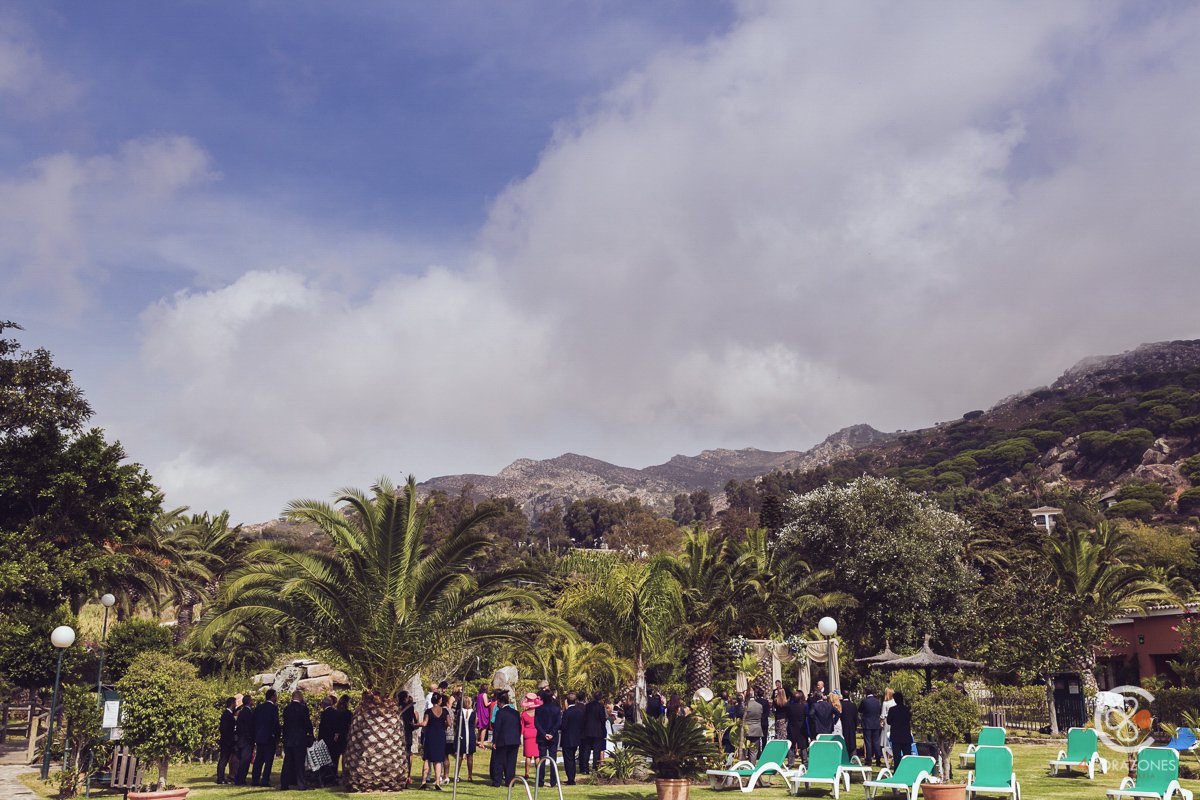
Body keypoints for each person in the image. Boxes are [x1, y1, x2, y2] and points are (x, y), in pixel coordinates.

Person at [280, 690, 314, 791]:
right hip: (300, 739)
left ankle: (284, 784)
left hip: (289, 739)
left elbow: (285, 725)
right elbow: (307, 723)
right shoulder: (303, 709)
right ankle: (301, 784)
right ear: (300, 697)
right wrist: (310, 733)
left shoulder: (286, 709)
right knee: (299, 763)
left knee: (287, 762)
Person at [490, 690, 521, 788]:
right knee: (511, 762)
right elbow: (519, 727)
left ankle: (497, 781)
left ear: (499, 702)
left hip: (503, 740)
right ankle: (510, 781)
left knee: (499, 761)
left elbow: (497, 729)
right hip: (514, 740)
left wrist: (494, 741)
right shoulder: (516, 713)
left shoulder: (500, 713)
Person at [418, 692, 448, 789]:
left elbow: (425, 723)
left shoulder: (428, 711)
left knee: (427, 759)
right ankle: (438, 782)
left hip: (430, 735)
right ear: (440, 700)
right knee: (438, 760)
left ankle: (423, 781)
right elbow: (449, 722)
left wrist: (416, 724)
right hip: (440, 736)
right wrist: (444, 726)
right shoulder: (444, 711)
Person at [252, 688, 281, 787]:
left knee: (259, 760)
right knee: (268, 761)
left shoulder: (259, 708)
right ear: (273, 696)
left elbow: (254, 722)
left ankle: (255, 779)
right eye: (276, 695)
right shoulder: (274, 708)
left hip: (260, 737)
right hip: (270, 738)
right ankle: (265, 780)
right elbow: (275, 723)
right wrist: (277, 736)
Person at [534, 689, 561, 787]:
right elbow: (558, 723)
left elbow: (537, 723)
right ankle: (553, 781)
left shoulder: (539, 709)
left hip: (543, 736)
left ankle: (540, 781)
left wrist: (544, 733)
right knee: (553, 758)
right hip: (552, 737)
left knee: (542, 758)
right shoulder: (556, 709)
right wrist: (552, 733)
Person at [451, 690, 478, 781]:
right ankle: (470, 776)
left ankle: (456, 775)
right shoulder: (474, 713)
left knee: (459, 755)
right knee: (470, 756)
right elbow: (475, 724)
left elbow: (455, 722)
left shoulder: (459, 712)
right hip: (470, 734)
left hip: (461, 733)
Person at [559, 692, 584, 785]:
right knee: (572, 758)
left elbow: (563, 726)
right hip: (576, 738)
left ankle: (571, 778)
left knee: (568, 759)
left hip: (567, 738)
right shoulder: (579, 712)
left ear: (567, 701)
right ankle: (572, 777)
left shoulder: (567, 712)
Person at [581, 692, 608, 774]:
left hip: (588, 731)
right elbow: (602, 719)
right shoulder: (600, 707)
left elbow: (584, 718)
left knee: (587, 750)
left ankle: (585, 768)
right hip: (597, 731)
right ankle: (594, 767)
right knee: (596, 750)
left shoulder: (588, 706)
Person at [886, 691, 913, 768]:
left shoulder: (892, 710)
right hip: (906, 736)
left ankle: (897, 772)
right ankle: (907, 771)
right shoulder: (907, 709)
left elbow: (888, 721)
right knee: (907, 757)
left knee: (897, 758)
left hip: (896, 736)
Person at [785, 690, 810, 768]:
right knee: (803, 746)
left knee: (791, 746)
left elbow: (787, 715)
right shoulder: (804, 706)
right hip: (801, 727)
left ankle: (790, 763)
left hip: (792, 727)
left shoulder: (789, 706)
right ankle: (805, 762)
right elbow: (807, 715)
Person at [859, 688, 883, 767]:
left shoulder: (865, 701)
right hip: (876, 724)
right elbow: (879, 711)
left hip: (867, 724)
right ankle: (878, 759)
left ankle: (868, 760)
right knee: (876, 742)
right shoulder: (877, 701)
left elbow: (860, 710)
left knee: (868, 742)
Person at [520, 692, 541, 779]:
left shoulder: (524, 714)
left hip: (527, 734)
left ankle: (526, 773)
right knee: (537, 756)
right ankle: (538, 773)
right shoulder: (538, 713)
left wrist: (521, 735)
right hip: (536, 733)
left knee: (528, 756)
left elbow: (522, 726)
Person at [399, 691, 418, 786]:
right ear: (405, 698)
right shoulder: (410, 708)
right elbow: (414, 721)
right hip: (407, 733)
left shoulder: (397, 708)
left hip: (398, 734)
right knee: (407, 755)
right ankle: (407, 777)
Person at [216, 696, 237, 784]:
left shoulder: (229, 714)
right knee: (223, 760)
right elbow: (224, 729)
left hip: (227, 741)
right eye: (235, 703)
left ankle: (222, 777)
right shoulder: (227, 714)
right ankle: (220, 778)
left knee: (224, 759)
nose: (236, 705)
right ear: (232, 704)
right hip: (226, 742)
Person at [333, 695, 353, 780]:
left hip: (337, 736)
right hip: (345, 735)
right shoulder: (348, 713)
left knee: (335, 756)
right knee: (345, 756)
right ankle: (345, 774)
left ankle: (334, 773)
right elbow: (350, 725)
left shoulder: (336, 712)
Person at [743, 689, 766, 760]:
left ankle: (742, 767)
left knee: (744, 750)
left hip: (746, 730)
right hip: (756, 729)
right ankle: (752, 767)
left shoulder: (745, 706)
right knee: (754, 751)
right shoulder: (759, 706)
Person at [838, 691, 858, 757]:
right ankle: (852, 754)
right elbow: (856, 716)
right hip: (852, 725)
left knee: (844, 740)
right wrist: (855, 725)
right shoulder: (853, 705)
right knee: (852, 740)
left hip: (843, 725)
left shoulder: (841, 705)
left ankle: (845, 755)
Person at [881, 687, 896, 762]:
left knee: (886, 738)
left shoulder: (885, 703)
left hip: (887, 721)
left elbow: (883, 714)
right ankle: (891, 755)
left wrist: (881, 721)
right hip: (895, 721)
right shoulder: (895, 702)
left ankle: (887, 755)